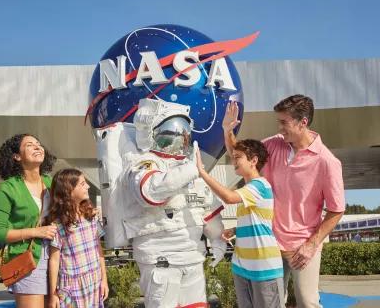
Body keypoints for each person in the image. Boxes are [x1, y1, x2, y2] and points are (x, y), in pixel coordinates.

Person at [93, 98, 227, 308]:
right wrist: (192, 169)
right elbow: (150, 192)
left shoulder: (189, 165)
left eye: (182, 133)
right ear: (150, 132)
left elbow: (205, 204)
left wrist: (218, 238)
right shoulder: (141, 163)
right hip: (161, 258)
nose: (179, 139)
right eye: (171, 133)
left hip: (192, 255)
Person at [223, 96, 345, 308]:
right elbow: (241, 155)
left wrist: (311, 244)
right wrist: (227, 131)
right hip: (270, 242)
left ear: (303, 122)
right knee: (275, 303)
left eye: (284, 122)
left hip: (302, 245)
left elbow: (336, 210)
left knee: (307, 302)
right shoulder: (273, 145)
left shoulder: (327, 162)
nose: (279, 128)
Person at [196, 138, 284, 308]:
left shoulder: (259, 186)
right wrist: (236, 229)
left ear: (254, 161)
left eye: (238, 157)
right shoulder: (248, 189)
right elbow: (257, 219)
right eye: (233, 157)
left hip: (264, 268)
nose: (233, 161)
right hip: (242, 267)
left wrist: (203, 172)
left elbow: (229, 198)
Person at [0, 133, 58, 308]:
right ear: (17, 156)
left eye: (38, 144)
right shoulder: (8, 188)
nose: (37, 147)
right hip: (29, 260)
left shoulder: (52, 183)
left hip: (59, 255)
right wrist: (35, 232)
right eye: (29, 145)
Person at [45, 168, 108, 308]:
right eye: (82, 184)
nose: (88, 186)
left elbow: (99, 250)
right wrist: (53, 293)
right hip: (71, 287)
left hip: (94, 280)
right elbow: (54, 260)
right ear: (69, 190)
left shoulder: (91, 216)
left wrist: (104, 279)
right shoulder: (58, 225)